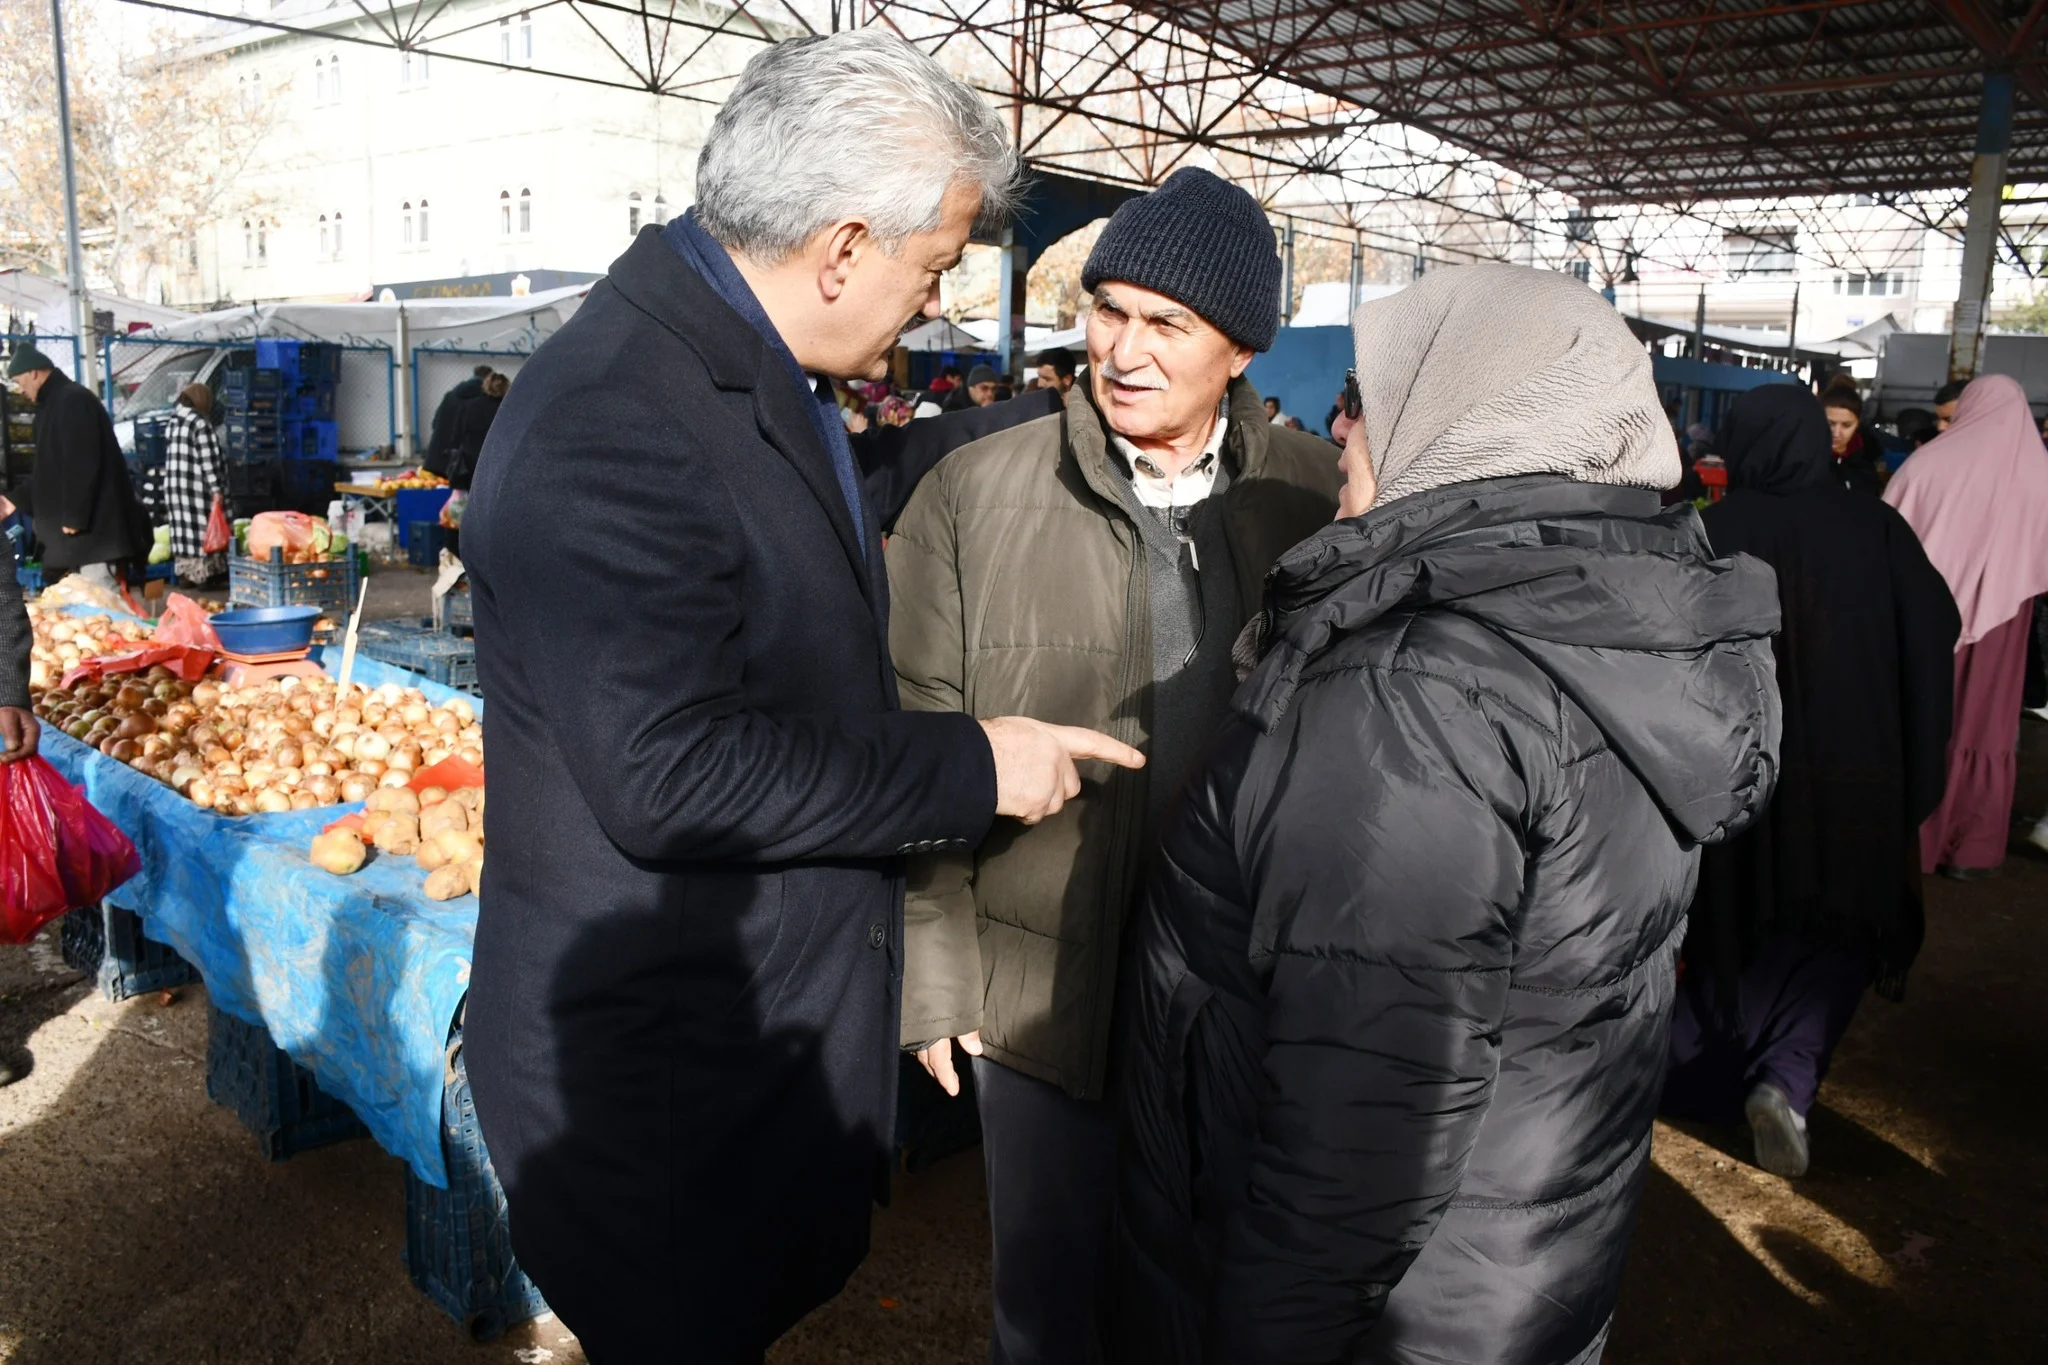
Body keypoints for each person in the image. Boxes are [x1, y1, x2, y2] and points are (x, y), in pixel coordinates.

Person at [460, 33, 1142, 1364]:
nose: (931, 305)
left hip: (728, 1063)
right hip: (662, 1104)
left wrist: (1059, 421)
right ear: (841, 248)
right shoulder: (617, 417)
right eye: (932, 268)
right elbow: (671, 773)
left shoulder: (729, 363)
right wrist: (973, 765)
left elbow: (821, 495)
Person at [1111, 264, 1782, 1365]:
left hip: (1382, 1309)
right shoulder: (1612, 622)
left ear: (1463, 423)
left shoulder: (1415, 692)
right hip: (1516, 1270)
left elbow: (1357, 1129)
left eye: (1365, 401)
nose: (1336, 424)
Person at [889, 165, 1341, 1365]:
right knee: (1044, 1302)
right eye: (1107, 310)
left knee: (1207, 1285)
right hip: (1037, 987)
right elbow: (912, 734)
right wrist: (935, 972)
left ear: (1238, 349)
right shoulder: (972, 493)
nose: (1122, 350)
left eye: (1166, 324)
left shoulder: (1313, 503)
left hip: (1238, 982)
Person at [1663, 384, 1958, 1179]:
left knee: (1735, 937)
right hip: (1856, 786)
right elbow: (1936, 634)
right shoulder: (1879, 529)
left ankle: (1673, 1069)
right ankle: (1786, 1082)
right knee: (1835, 940)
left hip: (1739, 786)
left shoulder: (1713, 530)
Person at [1884, 374, 2048, 879]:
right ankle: (1971, 850)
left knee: (1926, 722)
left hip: (1931, 619)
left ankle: (1915, 841)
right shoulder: (2040, 472)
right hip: (2005, 622)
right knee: (1987, 728)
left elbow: (1889, 532)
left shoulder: (1931, 462)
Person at [8, 345, 149, 591]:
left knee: (101, 599)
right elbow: (48, 473)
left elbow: (83, 462)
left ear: (34, 373)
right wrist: (14, 500)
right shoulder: (51, 406)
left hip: (91, 536)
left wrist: (75, 515)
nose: (20, 390)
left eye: (20, 382)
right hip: (76, 538)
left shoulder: (72, 401)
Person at [162, 383, 228, 588]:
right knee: (204, 531)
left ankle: (187, 575)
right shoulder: (199, 423)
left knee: (183, 531)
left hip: (175, 486)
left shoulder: (174, 421)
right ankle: (207, 576)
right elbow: (209, 460)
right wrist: (216, 489)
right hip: (197, 487)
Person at [425, 364, 492, 476]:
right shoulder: (484, 400)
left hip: (439, 454)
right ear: (488, 378)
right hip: (464, 461)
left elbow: (435, 422)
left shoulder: (451, 395)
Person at [449, 371, 506, 492]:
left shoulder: (469, 406)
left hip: (470, 461)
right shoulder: (507, 409)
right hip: (497, 461)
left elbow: (457, 435)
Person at [1821, 384, 1885, 493]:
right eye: (1830, 423)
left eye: (1846, 425)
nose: (1836, 433)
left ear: (1857, 424)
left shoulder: (1867, 460)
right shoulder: (1803, 461)